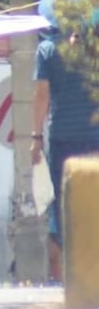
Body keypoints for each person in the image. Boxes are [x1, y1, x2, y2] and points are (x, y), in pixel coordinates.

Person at [31, 27, 99, 282]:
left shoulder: (47, 50)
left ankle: (72, 271)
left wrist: (36, 137)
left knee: (64, 204)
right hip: (95, 136)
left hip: (62, 137)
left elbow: (42, 95)